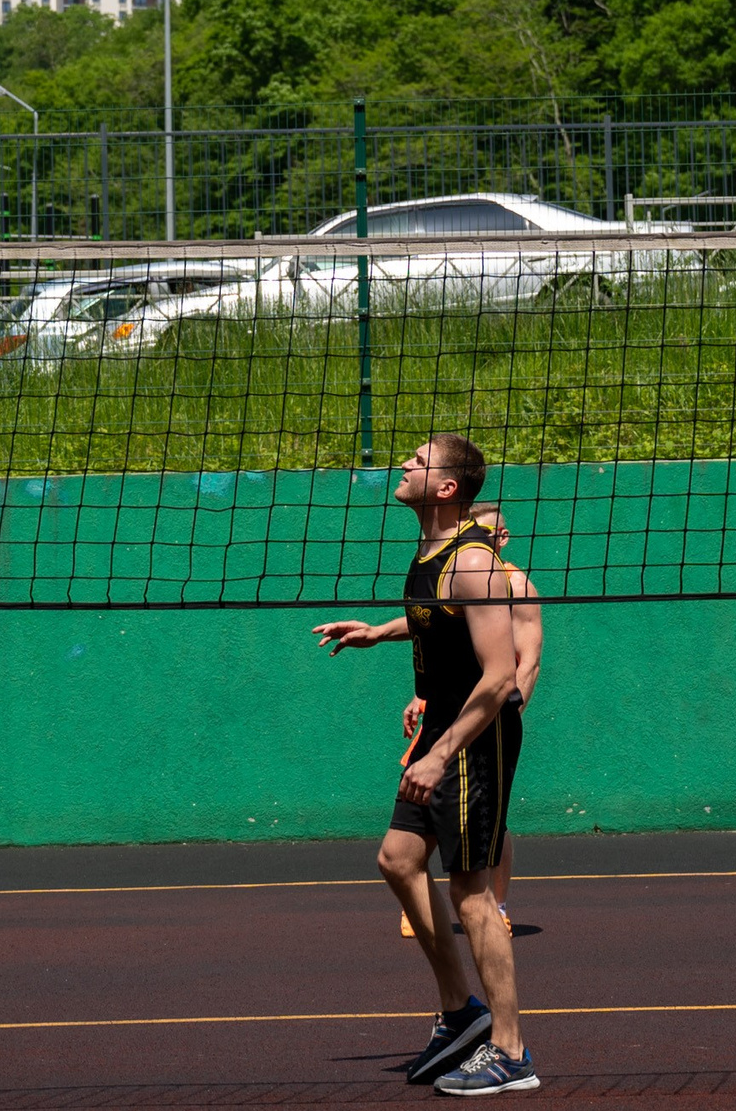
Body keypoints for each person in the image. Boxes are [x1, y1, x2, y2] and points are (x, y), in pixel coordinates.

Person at [313, 435, 537, 1096]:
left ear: (447, 488)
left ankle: (511, 1050)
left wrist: (441, 753)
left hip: (473, 733)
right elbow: (438, 618)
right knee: (398, 858)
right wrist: (379, 631)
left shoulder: (473, 560)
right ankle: (459, 1012)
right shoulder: (431, 551)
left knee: (472, 892)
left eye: (419, 459)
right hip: (443, 724)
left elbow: (498, 677)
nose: (405, 464)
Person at [396, 524, 543, 939]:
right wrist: (420, 697)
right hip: (447, 714)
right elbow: (437, 636)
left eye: (492, 531)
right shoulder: (452, 570)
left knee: (491, 825)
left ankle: (496, 904)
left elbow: (527, 660)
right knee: (404, 845)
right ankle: (429, 911)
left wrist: (509, 711)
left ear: (505, 537)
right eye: (477, 529)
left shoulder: (515, 585)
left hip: (488, 716)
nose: (483, 538)